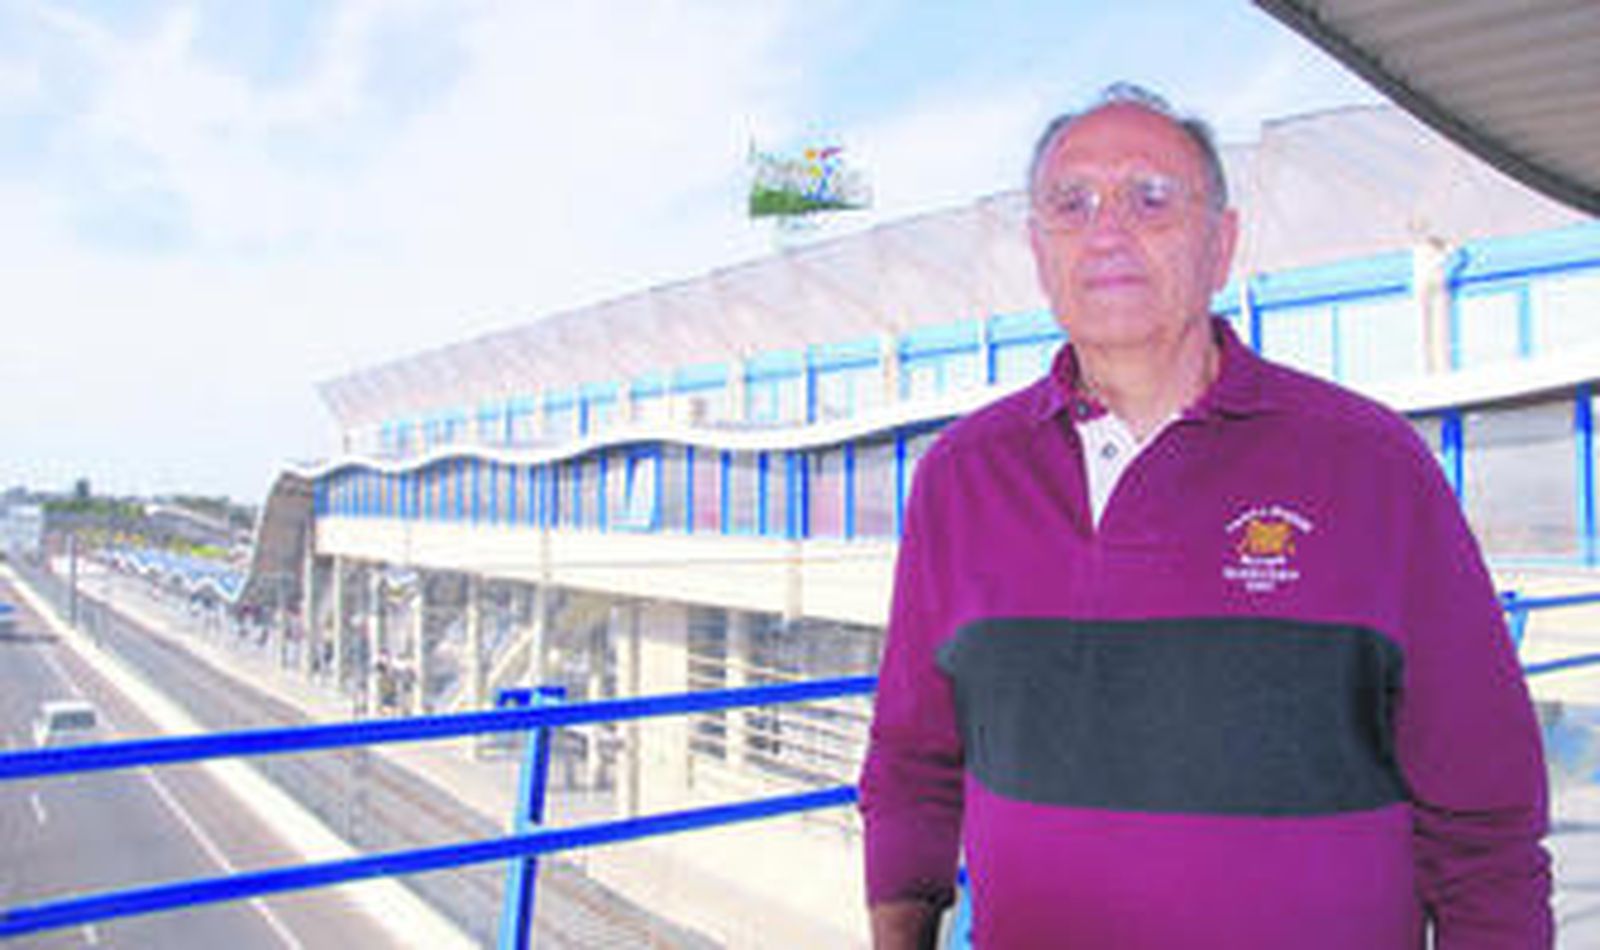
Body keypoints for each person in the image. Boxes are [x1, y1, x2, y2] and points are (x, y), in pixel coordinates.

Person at [858, 83, 1551, 949]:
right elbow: (912, 764)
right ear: (1039, 253)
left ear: (1221, 246)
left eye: (1151, 197)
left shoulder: (1374, 467)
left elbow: (1487, 829)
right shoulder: (960, 478)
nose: (1106, 229)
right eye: (1071, 205)